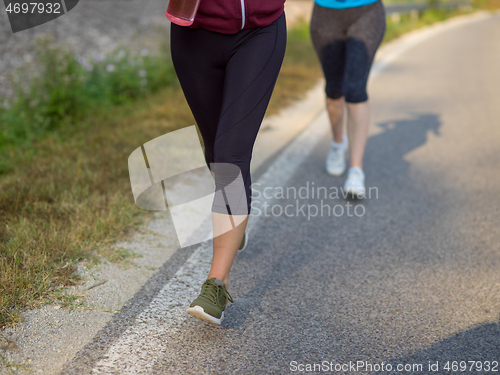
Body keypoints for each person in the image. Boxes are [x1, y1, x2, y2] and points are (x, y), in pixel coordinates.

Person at [170, 0, 287, 325]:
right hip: (193, 34)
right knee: (215, 150)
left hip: (259, 32)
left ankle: (215, 285)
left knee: (229, 158)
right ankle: (236, 221)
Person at [310, 0, 386, 197]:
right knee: (333, 90)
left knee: (355, 89)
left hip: (366, 10)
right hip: (325, 13)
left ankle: (356, 169)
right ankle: (337, 144)